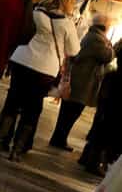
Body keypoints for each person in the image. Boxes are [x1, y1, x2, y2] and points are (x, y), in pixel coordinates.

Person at [0, 0, 80, 161]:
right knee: (32, 108)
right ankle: (17, 149)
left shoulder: (35, 12)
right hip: (44, 68)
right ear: (67, 2)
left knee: (12, 102)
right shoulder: (67, 24)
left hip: (22, 59)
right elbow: (74, 50)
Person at [49, 14, 114, 151]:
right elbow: (107, 56)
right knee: (71, 113)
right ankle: (59, 139)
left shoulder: (92, 36)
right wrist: (111, 47)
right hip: (82, 83)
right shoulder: (97, 40)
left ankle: (59, 138)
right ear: (104, 26)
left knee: (67, 113)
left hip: (79, 80)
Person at [78, 40, 122, 177]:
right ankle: (97, 161)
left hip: (113, 87)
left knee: (101, 126)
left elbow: (116, 50)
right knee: (109, 130)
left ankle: (89, 157)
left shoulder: (111, 76)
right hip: (116, 96)